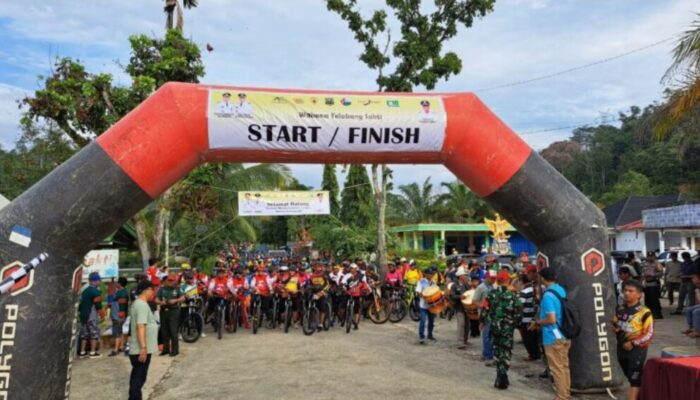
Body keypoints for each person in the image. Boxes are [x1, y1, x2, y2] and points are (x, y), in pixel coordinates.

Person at [613, 280, 654, 400]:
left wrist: (633, 343)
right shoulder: (619, 308)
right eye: (625, 290)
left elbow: (649, 333)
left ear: (639, 294)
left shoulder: (644, 312)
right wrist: (616, 328)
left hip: (637, 349)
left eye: (631, 291)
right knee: (630, 376)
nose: (627, 293)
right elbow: (615, 324)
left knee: (635, 377)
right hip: (621, 348)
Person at [482, 271, 522, 390]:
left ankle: (501, 375)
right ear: (508, 281)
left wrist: (483, 322)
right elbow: (519, 312)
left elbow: (485, 310)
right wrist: (513, 323)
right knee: (506, 351)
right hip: (507, 329)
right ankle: (503, 375)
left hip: (495, 327)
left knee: (497, 351)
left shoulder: (491, 294)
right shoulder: (513, 295)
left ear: (497, 281)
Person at [535, 268, 570, 400]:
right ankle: (565, 393)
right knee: (564, 367)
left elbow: (551, 319)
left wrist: (538, 322)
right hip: (564, 334)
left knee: (557, 369)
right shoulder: (560, 290)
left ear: (543, 278)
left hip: (553, 336)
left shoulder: (548, 296)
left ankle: (561, 397)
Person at [128, 281, 159, 400]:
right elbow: (140, 326)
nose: (154, 293)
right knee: (138, 379)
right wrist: (143, 348)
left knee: (138, 378)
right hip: (140, 350)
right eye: (153, 290)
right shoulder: (141, 305)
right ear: (146, 290)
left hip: (140, 348)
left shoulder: (141, 304)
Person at [156, 273, 184, 357]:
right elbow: (156, 299)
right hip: (164, 311)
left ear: (174, 281)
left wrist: (175, 300)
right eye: (169, 280)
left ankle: (175, 350)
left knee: (173, 331)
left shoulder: (177, 289)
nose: (170, 282)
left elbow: (183, 298)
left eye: (172, 280)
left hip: (174, 311)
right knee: (164, 331)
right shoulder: (162, 289)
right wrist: (160, 302)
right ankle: (166, 349)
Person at [79, 272, 105, 358]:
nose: (100, 282)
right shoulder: (95, 291)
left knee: (84, 335)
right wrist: (102, 315)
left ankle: (82, 352)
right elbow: (98, 305)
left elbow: (80, 304)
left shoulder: (84, 291)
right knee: (94, 334)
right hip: (91, 315)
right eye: (99, 280)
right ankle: (92, 352)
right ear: (95, 281)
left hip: (83, 316)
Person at [519, 264, 541, 361]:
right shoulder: (540, 286)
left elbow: (520, 304)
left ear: (533, 273)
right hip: (538, 318)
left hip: (528, 318)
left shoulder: (526, 289)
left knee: (529, 339)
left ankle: (534, 355)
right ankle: (537, 355)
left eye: (527, 273)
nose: (526, 275)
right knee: (536, 339)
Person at [474, 271, 496, 364]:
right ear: (487, 277)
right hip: (485, 314)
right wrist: (484, 307)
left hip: (491, 313)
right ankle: (488, 356)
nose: (493, 280)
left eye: (494, 278)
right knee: (486, 335)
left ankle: (485, 354)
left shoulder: (492, 286)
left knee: (489, 334)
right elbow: (475, 300)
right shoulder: (481, 287)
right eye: (492, 278)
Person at [449, 269, 471, 349]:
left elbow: (471, 292)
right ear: (460, 276)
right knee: (461, 324)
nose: (465, 276)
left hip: (467, 307)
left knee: (467, 325)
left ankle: (465, 340)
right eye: (464, 275)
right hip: (459, 307)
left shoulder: (466, 284)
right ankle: (460, 342)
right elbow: (452, 295)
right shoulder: (454, 285)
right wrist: (459, 297)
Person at [416, 267, 438, 344]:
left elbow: (436, 292)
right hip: (423, 305)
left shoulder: (433, 282)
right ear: (425, 274)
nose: (430, 275)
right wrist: (424, 296)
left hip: (431, 305)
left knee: (431, 321)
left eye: (431, 274)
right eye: (429, 273)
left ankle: (430, 335)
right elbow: (418, 292)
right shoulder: (421, 282)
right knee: (423, 321)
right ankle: (421, 337)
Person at [345, 264, 370, 330]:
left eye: (353, 268)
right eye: (351, 268)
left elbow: (365, 284)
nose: (352, 269)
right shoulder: (347, 275)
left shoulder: (361, 276)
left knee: (356, 310)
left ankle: (356, 323)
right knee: (345, 306)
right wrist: (343, 287)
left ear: (356, 269)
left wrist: (365, 290)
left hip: (357, 295)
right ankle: (346, 318)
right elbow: (343, 283)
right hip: (348, 293)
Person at [109, 277, 129, 356]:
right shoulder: (120, 292)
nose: (116, 283)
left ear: (120, 284)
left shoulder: (122, 293)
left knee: (117, 332)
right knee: (119, 331)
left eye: (117, 282)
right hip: (117, 315)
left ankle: (116, 349)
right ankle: (121, 346)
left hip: (118, 316)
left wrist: (121, 316)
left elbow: (122, 305)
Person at [641, 252, 663, 319]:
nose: (650, 258)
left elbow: (661, 273)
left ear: (654, 257)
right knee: (647, 300)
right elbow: (642, 272)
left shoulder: (657, 264)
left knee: (654, 300)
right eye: (649, 256)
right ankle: (648, 314)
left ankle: (657, 314)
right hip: (647, 284)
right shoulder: (645, 264)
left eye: (651, 256)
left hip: (654, 283)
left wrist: (652, 275)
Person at [681, 271, 700, 338]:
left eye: (694, 278)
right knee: (689, 309)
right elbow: (698, 302)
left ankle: (698, 331)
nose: (692, 280)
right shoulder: (697, 287)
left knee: (696, 312)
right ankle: (692, 328)